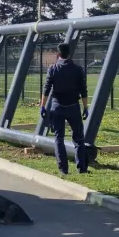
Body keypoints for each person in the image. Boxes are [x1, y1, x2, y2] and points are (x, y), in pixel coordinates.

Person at [39, 42, 90, 175]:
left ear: (58, 54)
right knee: (79, 138)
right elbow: (83, 90)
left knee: (59, 138)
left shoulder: (53, 68)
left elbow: (46, 88)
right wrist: (85, 107)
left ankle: (63, 169)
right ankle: (82, 167)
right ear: (69, 54)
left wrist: (43, 106)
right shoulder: (78, 70)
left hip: (57, 106)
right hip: (73, 106)